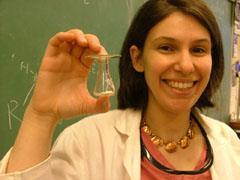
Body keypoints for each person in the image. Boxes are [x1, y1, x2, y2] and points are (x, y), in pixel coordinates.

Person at [1, 0, 240, 179]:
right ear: (137, 59)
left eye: (198, 50)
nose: (186, 66)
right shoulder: (88, 141)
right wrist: (42, 114)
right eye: (167, 47)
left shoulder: (228, 141)